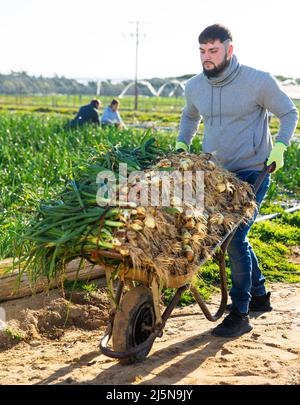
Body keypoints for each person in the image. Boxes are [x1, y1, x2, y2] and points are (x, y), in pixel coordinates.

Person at [176, 24, 298, 338]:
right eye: (202, 51)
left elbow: (288, 112)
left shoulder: (257, 81)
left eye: (213, 50)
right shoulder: (194, 86)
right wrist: (182, 143)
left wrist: (281, 146)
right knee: (230, 239)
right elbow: (190, 115)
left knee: (233, 239)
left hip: (252, 172)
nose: (207, 57)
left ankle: (241, 313)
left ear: (230, 50)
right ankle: (259, 295)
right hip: (216, 176)